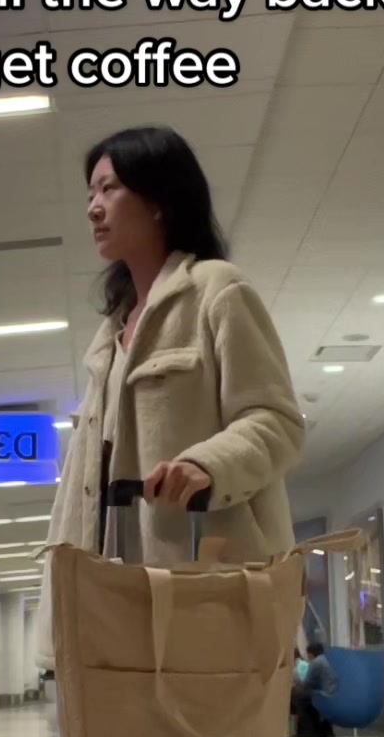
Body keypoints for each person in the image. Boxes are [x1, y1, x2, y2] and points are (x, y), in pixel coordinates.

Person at [37, 124, 304, 664]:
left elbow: (277, 420)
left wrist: (208, 464)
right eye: (90, 193)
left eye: (109, 188)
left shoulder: (217, 290)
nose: (93, 207)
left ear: (158, 200)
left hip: (207, 579)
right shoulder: (111, 335)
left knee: (209, 715)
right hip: (119, 591)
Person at [291, 640, 338, 737]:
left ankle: (307, 732)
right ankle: (320, 731)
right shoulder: (324, 660)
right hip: (331, 693)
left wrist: (295, 684)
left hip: (324, 695)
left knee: (298, 698)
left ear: (310, 654)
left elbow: (307, 683)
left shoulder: (316, 663)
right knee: (305, 698)